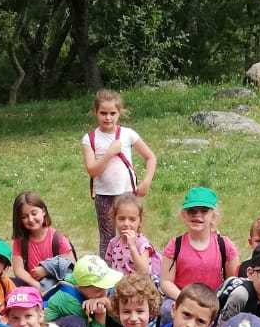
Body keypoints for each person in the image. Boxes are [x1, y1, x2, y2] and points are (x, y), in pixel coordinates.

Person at [82, 88, 157, 256]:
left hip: (127, 194)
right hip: (104, 196)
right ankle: (108, 269)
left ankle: (135, 265)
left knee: (132, 233)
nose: (108, 117)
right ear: (95, 112)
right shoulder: (90, 139)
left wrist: (146, 181)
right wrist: (109, 153)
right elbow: (92, 170)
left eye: (112, 113)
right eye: (103, 113)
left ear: (119, 113)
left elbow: (150, 157)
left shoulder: (128, 134)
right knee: (107, 238)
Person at [159, 187, 239, 301]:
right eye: (192, 210)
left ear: (213, 215)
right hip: (181, 299)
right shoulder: (175, 246)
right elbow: (166, 282)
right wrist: (186, 300)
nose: (197, 215)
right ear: (184, 214)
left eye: (204, 210)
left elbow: (233, 282)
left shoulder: (225, 245)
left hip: (213, 302)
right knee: (167, 309)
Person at [43, 255, 121, 327]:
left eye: (105, 287)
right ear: (81, 286)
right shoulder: (72, 303)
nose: (104, 293)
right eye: (98, 290)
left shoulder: (76, 280)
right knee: (77, 324)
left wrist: (106, 303)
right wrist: (100, 315)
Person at [11, 191, 77, 293]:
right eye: (24, 217)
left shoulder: (58, 239)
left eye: (34, 213)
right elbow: (18, 270)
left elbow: (71, 268)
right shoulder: (20, 240)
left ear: (43, 211)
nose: (30, 219)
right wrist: (36, 285)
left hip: (57, 288)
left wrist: (46, 270)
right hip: (32, 286)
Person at [102, 193, 161, 285]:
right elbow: (111, 268)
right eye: (121, 219)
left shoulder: (142, 244)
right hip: (119, 287)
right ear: (114, 219)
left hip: (139, 288)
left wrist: (132, 247)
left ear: (140, 221)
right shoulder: (113, 243)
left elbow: (144, 271)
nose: (126, 223)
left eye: (132, 219)